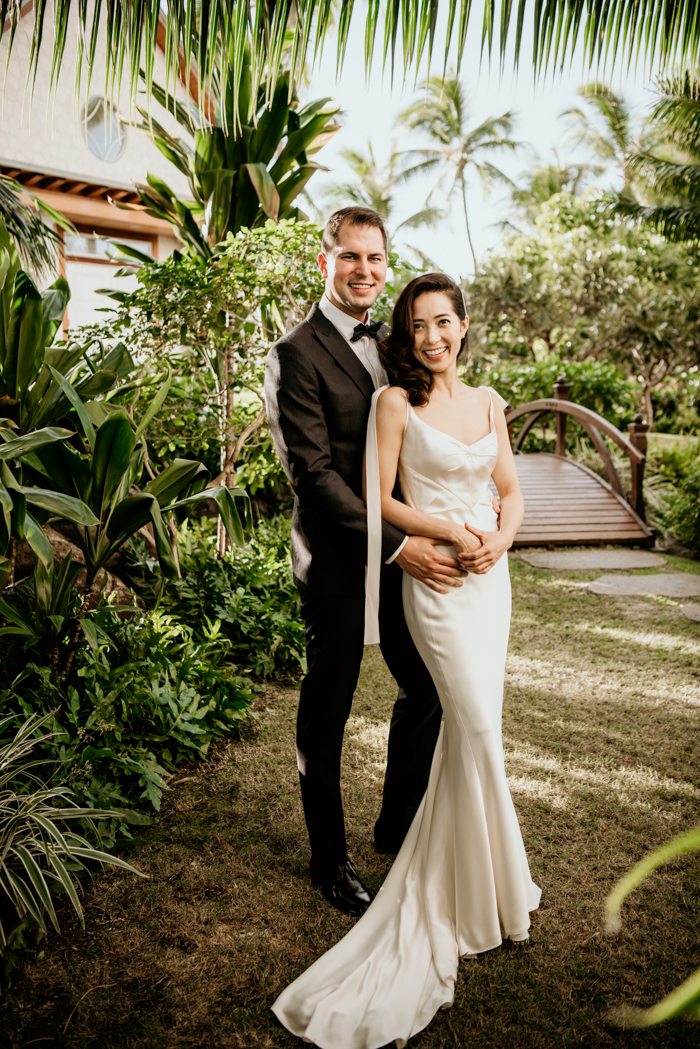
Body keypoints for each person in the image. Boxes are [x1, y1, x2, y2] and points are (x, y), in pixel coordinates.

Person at [272, 272, 541, 1049]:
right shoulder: (395, 400)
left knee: (464, 728)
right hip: (433, 580)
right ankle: (447, 882)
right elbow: (375, 491)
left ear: (463, 326)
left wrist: (501, 535)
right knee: (478, 729)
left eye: (444, 322)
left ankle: (492, 883)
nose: (433, 336)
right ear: (405, 332)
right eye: (419, 325)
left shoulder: (490, 401)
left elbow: (512, 489)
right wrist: (451, 532)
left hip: (491, 585)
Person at [265, 208, 465, 917]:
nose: (365, 270)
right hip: (339, 556)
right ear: (326, 262)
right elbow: (313, 477)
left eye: (376, 259)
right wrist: (400, 543)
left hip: (401, 552)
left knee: (430, 685)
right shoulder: (294, 352)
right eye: (351, 256)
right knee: (331, 707)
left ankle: (397, 824)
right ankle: (330, 860)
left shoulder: (395, 342)